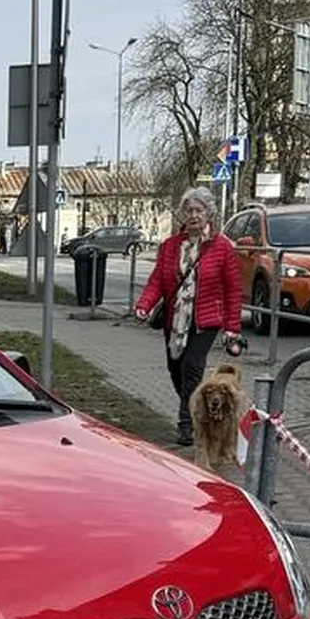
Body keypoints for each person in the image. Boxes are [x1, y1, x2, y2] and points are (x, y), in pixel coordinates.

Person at [133, 187, 244, 446]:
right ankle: (196, 404)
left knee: (192, 367)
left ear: (209, 214)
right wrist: (143, 305)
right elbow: (157, 282)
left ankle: (187, 425)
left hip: (205, 319)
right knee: (175, 370)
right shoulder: (171, 246)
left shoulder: (221, 247)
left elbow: (233, 290)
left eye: (199, 210)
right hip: (175, 319)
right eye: (189, 210)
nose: (194, 216)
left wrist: (232, 328)